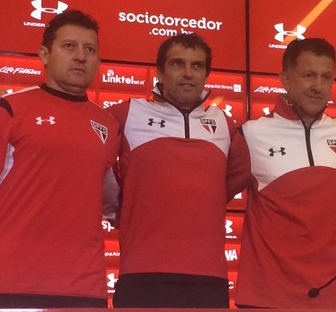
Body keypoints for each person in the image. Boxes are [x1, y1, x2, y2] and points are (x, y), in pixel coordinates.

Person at [0, 10, 120, 308]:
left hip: (86, 291)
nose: (81, 56)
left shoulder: (109, 125)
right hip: (11, 287)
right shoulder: (8, 110)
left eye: (89, 49)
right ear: (44, 54)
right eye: (69, 46)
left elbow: (115, 206)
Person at [107, 33, 251, 308]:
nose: (188, 74)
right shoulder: (128, 113)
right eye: (177, 64)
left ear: (206, 74)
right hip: (142, 272)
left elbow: (234, 178)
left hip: (209, 276)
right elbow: (79, 130)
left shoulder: (224, 123)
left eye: (197, 66)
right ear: (160, 71)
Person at [234, 38, 336, 308]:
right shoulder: (252, 134)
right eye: (308, 75)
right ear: (285, 80)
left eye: (326, 77)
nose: (317, 86)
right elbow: (212, 195)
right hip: (270, 297)